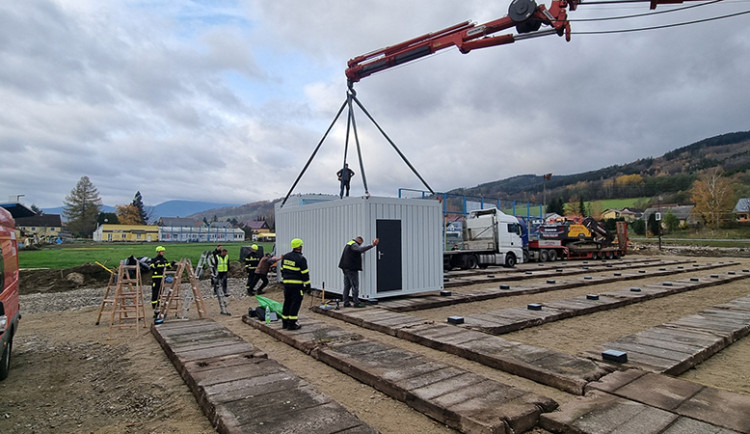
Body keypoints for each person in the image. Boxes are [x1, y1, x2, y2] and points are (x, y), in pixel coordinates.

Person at [338, 236, 379, 308]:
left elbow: (356, 251)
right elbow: (359, 249)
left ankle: (346, 302)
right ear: (359, 241)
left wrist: (362, 251)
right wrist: (372, 245)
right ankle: (356, 302)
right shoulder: (354, 244)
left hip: (345, 267)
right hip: (351, 268)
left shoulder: (350, 243)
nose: (360, 245)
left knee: (347, 286)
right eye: (361, 243)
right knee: (355, 285)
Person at [280, 238, 310, 330]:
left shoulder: (285, 257)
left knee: (287, 302)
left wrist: (284, 281)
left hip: (287, 285)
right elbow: (305, 273)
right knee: (295, 304)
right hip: (297, 286)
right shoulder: (301, 259)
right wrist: (308, 286)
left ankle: (284, 323)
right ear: (300, 247)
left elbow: (282, 270)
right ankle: (292, 324)